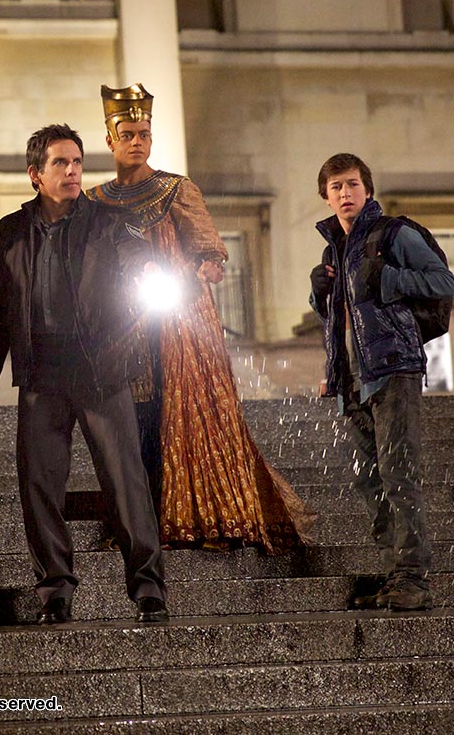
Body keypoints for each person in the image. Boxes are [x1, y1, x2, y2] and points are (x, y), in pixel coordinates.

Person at [89, 83, 314, 553]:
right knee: (130, 423)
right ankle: (134, 521)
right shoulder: (94, 201)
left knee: (177, 413)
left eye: (144, 134)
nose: (137, 142)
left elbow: (209, 247)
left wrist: (207, 264)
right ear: (110, 140)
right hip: (117, 324)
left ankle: (199, 515)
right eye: (127, 134)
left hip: (175, 322)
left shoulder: (176, 189)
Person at [0, 124, 168, 626]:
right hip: (41, 375)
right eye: (60, 162)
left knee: (127, 484)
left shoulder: (108, 220)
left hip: (102, 371)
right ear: (35, 174)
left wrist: (147, 269)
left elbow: (136, 255)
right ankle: (55, 592)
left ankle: (149, 590)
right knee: (39, 488)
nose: (73, 170)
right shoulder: (12, 230)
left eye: (77, 161)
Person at [311, 153, 454, 612]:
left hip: (393, 368)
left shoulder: (394, 234)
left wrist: (389, 276)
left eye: (352, 184)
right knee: (370, 481)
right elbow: (341, 316)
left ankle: (413, 577)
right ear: (326, 196)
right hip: (352, 379)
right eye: (336, 186)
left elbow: (443, 282)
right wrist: (318, 294)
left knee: (398, 474)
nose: (345, 193)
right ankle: (396, 574)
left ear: (367, 189)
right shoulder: (334, 250)